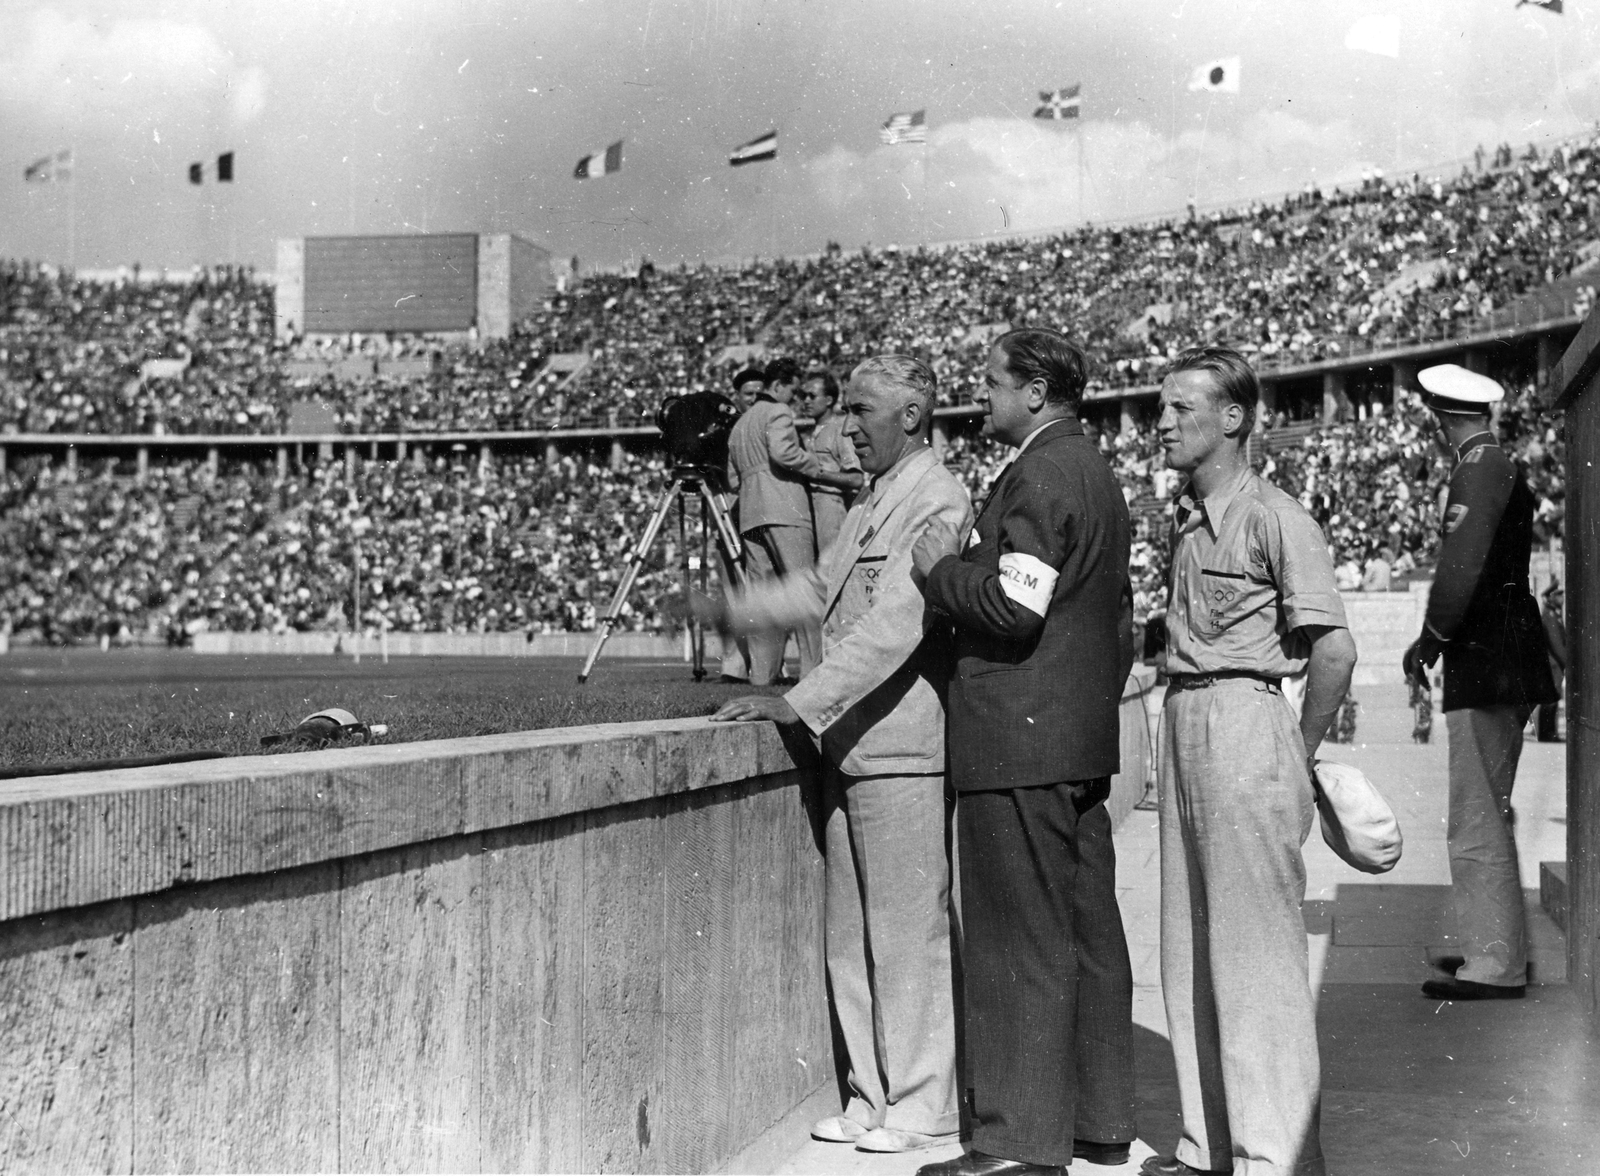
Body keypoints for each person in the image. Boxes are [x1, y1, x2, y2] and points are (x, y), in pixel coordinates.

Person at [706, 355, 972, 1155]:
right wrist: (723, 609)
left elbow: (897, 623)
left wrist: (798, 699)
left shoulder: (939, 496)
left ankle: (927, 1103)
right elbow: (820, 590)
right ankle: (871, 1092)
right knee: (849, 935)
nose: (845, 427)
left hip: (899, 744)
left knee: (905, 936)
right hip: (848, 743)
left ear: (914, 414)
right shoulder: (872, 499)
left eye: (860, 411)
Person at [914, 328, 1138, 1176]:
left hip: (1018, 737)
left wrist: (938, 572)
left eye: (995, 384)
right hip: (1073, 734)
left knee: (1018, 941)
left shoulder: (1041, 471)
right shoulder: (1091, 468)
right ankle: (1097, 1121)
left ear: (1037, 391)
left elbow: (1014, 607)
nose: (985, 399)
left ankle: (1018, 1142)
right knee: (1086, 932)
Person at [1142, 345, 1356, 1176]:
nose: (1160, 425)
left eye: (1178, 410)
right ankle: (1209, 1148)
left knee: (1258, 959)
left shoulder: (1277, 517)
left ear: (1231, 418)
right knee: (1189, 946)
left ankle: (1276, 1158)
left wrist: (1296, 761)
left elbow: (1332, 652)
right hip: (1187, 715)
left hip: (1246, 717)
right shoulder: (1187, 518)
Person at [1403, 364, 1559, 1001]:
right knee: (1484, 811)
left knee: (1476, 817)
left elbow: (1459, 567)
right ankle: (1488, 950)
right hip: (1505, 649)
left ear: (1441, 417)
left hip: (1485, 652)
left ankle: (1493, 965)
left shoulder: (1477, 466)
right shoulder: (1495, 461)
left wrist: (1430, 642)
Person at [724, 356, 823, 683]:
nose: (795, 399)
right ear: (778, 386)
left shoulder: (740, 424)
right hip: (784, 507)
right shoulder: (778, 412)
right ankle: (813, 673)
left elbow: (733, 479)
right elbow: (784, 454)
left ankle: (761, 677)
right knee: (805, 592)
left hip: (751, 515)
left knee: (762, 600)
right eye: (793, 391)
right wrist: (815, 467)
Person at [715, 366, 773, 683]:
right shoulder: (726, 428)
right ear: (736, 397)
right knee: (732, 593)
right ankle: (734, 665)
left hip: (758, 511)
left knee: (761, 587)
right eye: (747, 394)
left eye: (757, 393)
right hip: (729, 511)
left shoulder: (765, 424)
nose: (753, 399)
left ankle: (766, 662)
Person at [797, 367, 865, 553]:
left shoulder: (839, 430)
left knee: (830, 566)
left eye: (812, 396)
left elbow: (856, 479)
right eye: (804, 396)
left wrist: (818, 473)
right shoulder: (808, 432)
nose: (806, 401)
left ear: (828, 400)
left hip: (831, 505)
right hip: (809, 505)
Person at [1537, 582, 1567, 743]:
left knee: (1551, 696)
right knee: (1551, 697)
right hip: (1552, 663)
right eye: (1558, 595)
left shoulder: (1553, 614)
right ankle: (1548, 733)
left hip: (1553, 662)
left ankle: (1547, 733)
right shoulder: (1550, 616)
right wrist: (1567, 662)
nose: (1561, 598)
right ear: (1550, 597)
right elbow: (1556, 644)